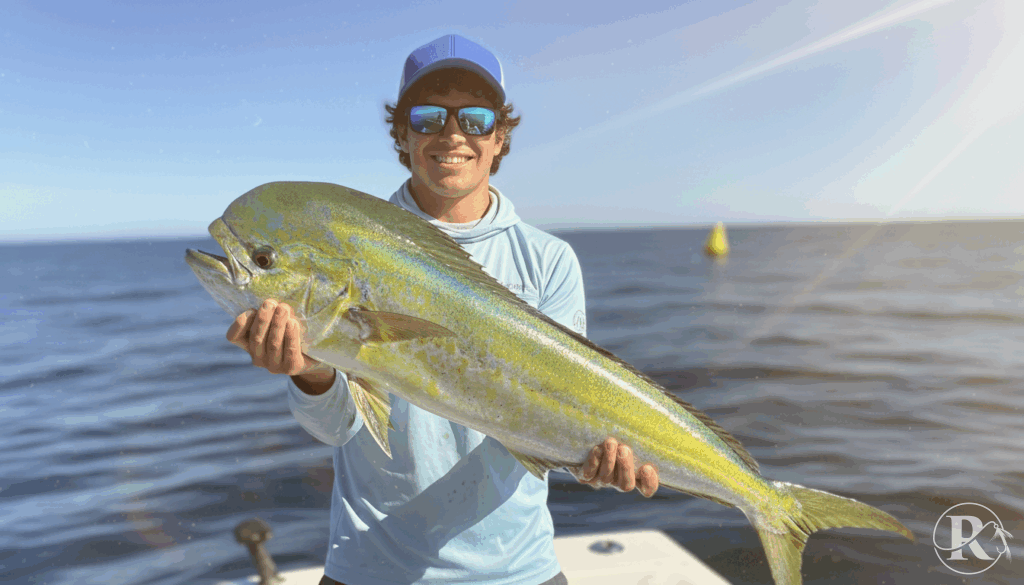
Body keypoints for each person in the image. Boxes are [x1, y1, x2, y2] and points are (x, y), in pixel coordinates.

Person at [226, 34, 660, 585]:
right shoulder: (349, 247)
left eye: (475, 119)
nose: (452, 134)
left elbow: (559, 414)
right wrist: (311, 371)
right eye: (429, 117)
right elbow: (337, 429)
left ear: (500, 138)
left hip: (518, 570)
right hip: (370, 569)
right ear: (402, 135)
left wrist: (591, 460)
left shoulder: (549, 260)